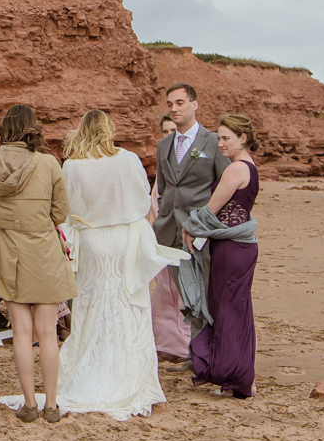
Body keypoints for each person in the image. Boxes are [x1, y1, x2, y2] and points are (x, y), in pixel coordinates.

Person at [58, 110, 189, 420]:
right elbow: (143, 200)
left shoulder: (73, 165)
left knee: (92, 302)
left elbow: (68, 206)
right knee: (125, 302)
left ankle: (92, 367)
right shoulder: (128, 158)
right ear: (109, 129)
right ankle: (126, 373)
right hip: (123, 238)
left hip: (91, 239)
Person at [0, 104, 77, 423]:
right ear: (32, 128)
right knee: (48, 332)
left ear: (5, 128)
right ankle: (51, 406)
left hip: (9, 252)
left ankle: (29, 404)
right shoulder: (48, 162)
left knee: (22, 332)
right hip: (43, 252)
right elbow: (61, 212)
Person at [180, 114, 260, 399]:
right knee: (237, 309)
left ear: (243, 138)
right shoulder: (249, 166)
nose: (221, 143)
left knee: (226, 310)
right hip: (238, 247)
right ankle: (241, 376)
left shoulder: (236, 168)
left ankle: (234, 377)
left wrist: (188, 227)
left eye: (226, 138)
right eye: (219, 138)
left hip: (230, 249)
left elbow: (210, 210)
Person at [150, 83, 229, 363]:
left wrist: (209, 226)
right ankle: (194, 354)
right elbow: (163, 189)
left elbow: (225, 187)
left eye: (180, 103)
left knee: (206, 294)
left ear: (194, 104)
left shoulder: (213, 142)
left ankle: (214, 356)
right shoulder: (163, 145)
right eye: (170, 104)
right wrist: (162, 220)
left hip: (201, 234)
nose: (174, 109)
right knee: (184, 297)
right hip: (170, 232)